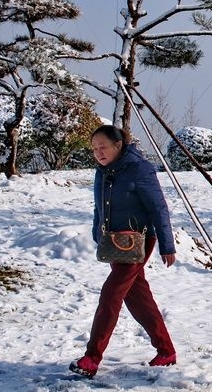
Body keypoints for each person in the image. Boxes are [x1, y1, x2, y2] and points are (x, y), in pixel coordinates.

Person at [70, 125, 177, 378]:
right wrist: (98, 233)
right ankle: (166, 351)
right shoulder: (102, 171)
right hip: (114, 242)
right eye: (95, 149)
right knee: (137, 297)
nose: (98, 153)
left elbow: (158, 208)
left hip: (138, 241)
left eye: (103, 147)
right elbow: (99, 207)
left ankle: (92, 358)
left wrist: (167, 244)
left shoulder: (140, 169)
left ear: (118, 145)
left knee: (111, 294)